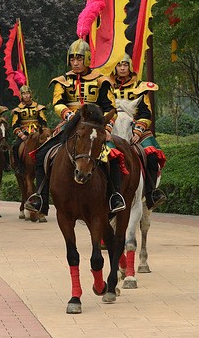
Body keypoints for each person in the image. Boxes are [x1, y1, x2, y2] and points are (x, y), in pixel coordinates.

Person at [25, 38, 124, 215]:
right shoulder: (62, 81)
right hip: (69, 125)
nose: (75, 62)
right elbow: (57, 103)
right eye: (72, 58)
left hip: (95, 127)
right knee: (41, 155)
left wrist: (107, 129)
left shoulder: (101, 80)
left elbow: (111, 108)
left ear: (87, 59)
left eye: (79, 58)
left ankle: (114, 196)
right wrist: (68, 115)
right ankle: (41, 199)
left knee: (114, 156)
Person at [109, 57, 167, 208]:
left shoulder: (139, 86)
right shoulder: (106, 85)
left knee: (152, 156)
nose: (122, 68)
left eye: (125, 65)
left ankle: (151, 193)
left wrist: (137, 131)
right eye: (119, 65)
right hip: (111, 127)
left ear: (130, 67)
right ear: (115, 68)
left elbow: (146, 112)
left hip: (135, 128)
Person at [9, 85, 47, 174]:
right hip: (24, 132)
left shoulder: (38, 107)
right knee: (16, 146)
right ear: (21, 95)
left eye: (27, 93)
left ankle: (48, 165)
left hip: (37, 132)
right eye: (24, 94)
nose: (26, 95)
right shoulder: (18, 109)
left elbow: (43, 121)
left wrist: (43, 131)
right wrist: (20, 134)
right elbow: (14, 124)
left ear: (30, 94)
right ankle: (18, 166)